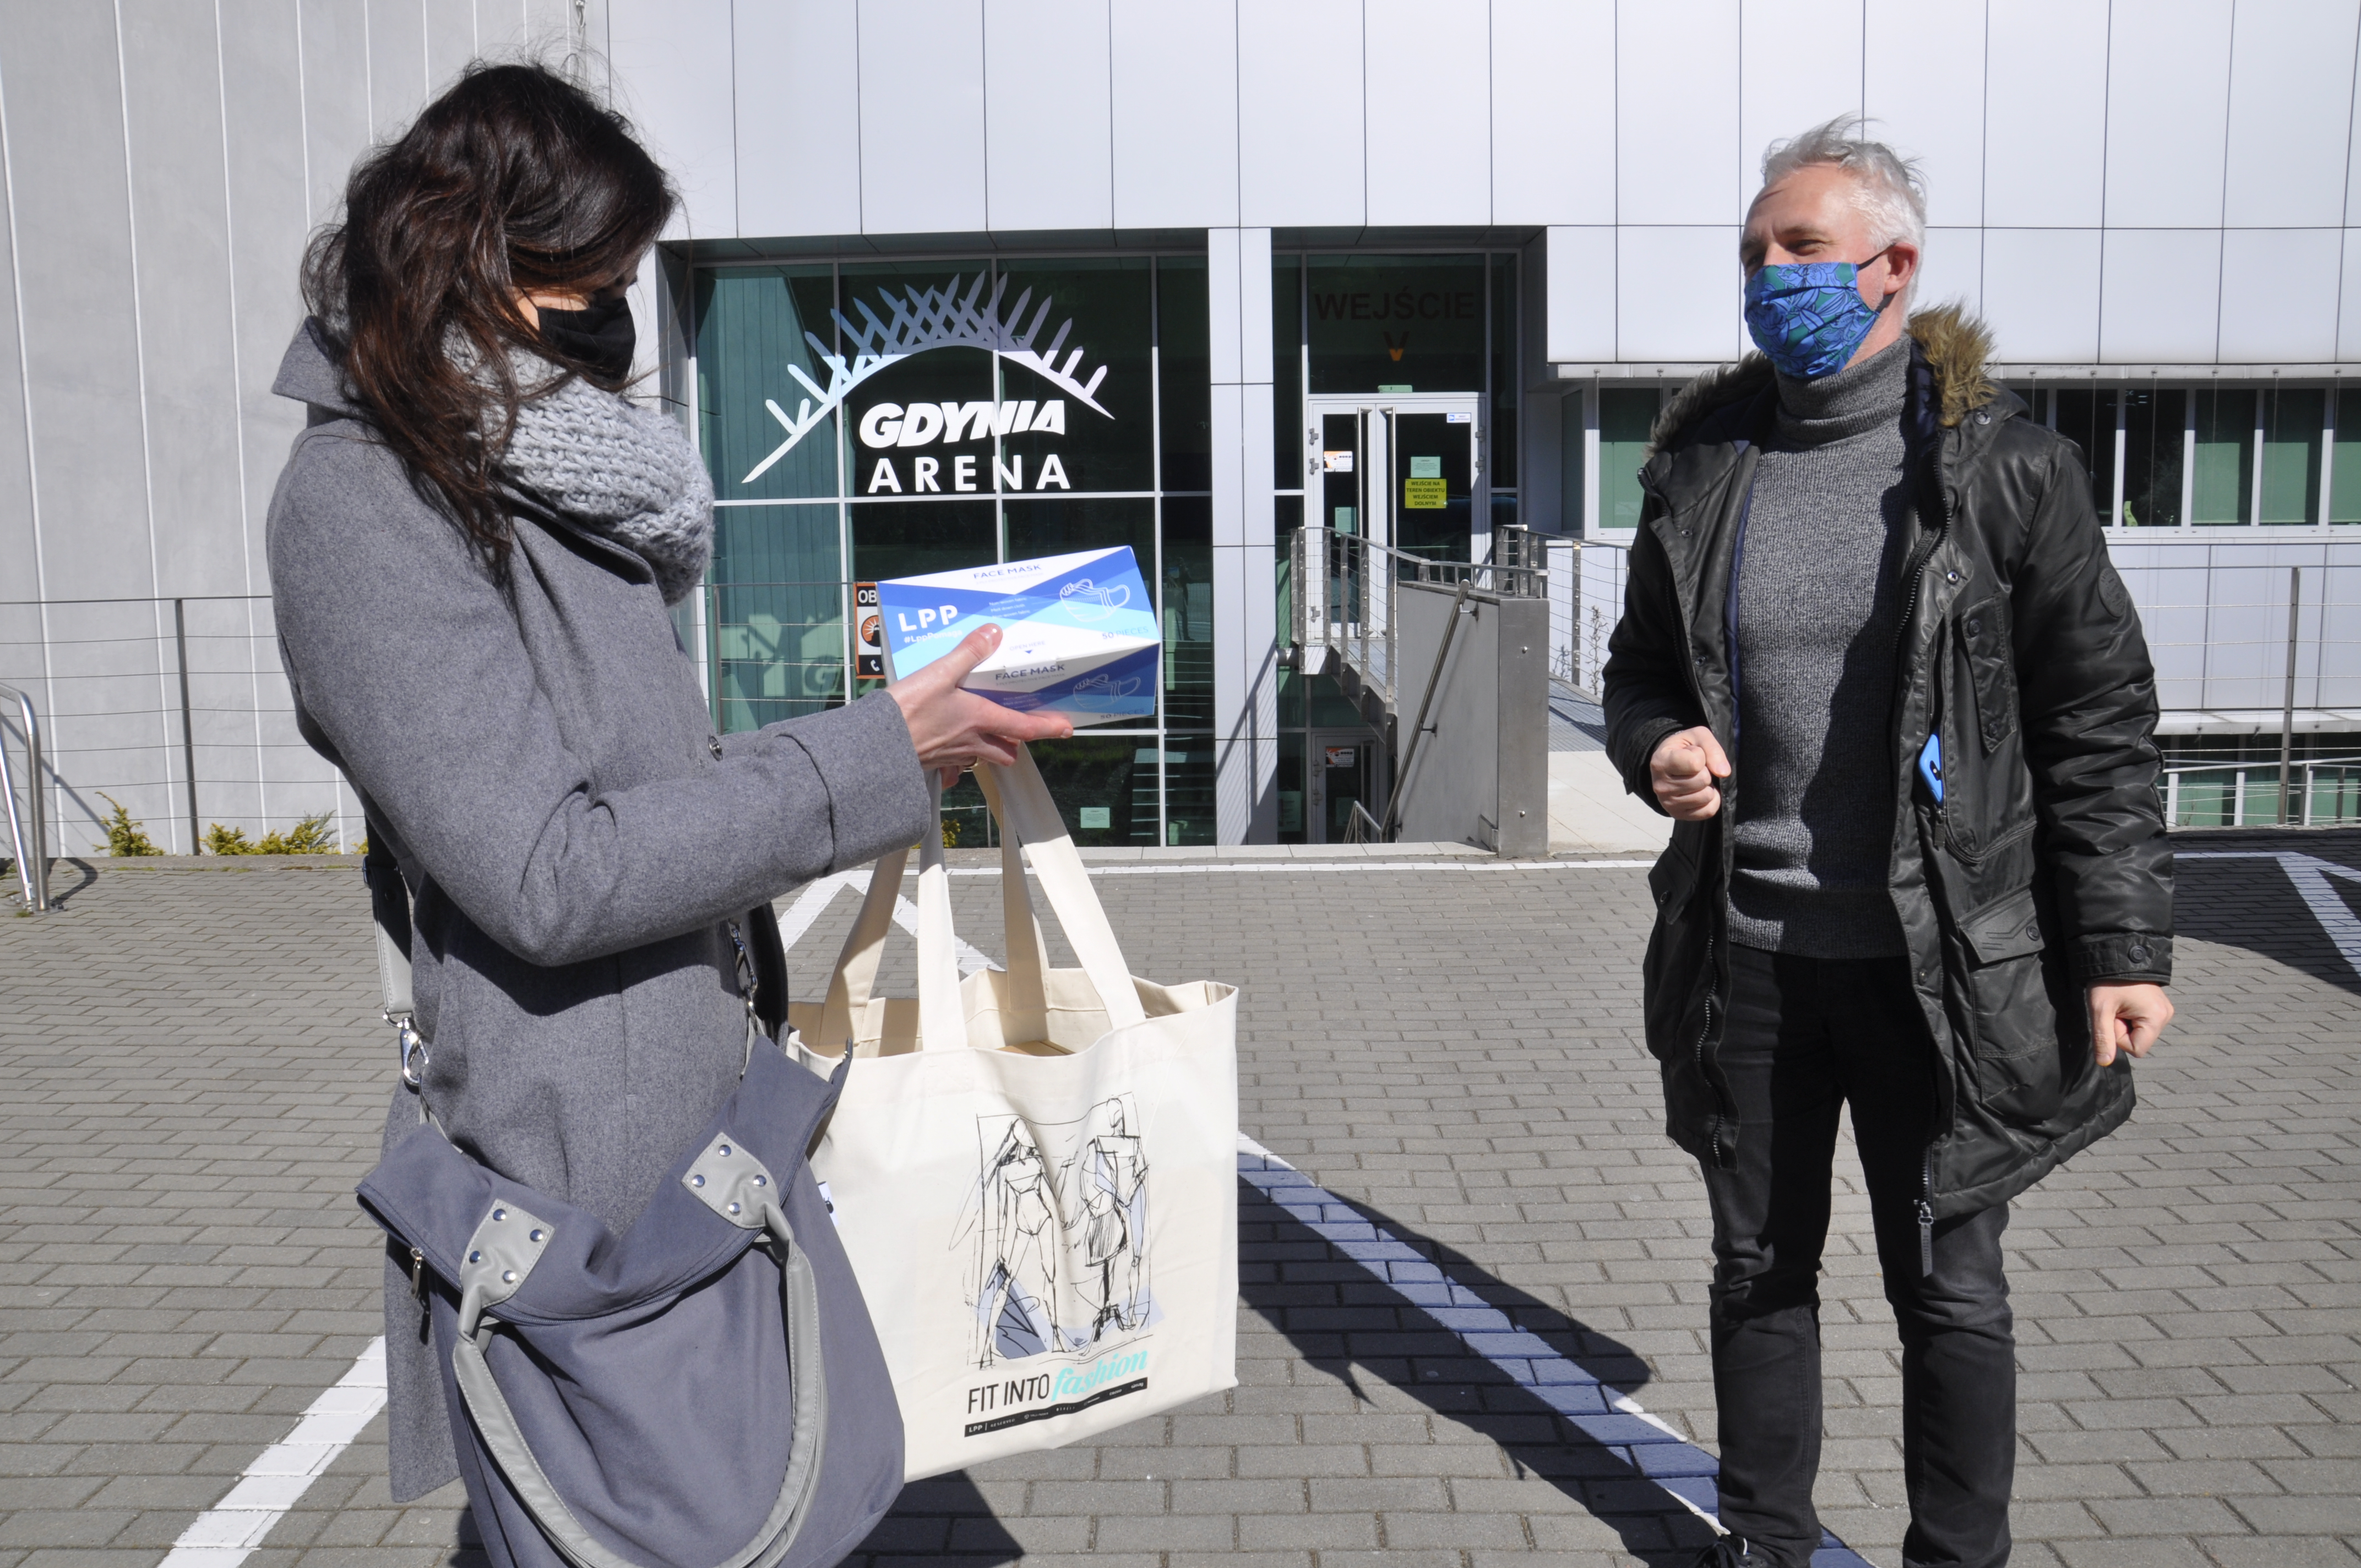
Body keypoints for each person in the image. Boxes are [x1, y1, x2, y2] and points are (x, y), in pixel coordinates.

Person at [266, 62, 1067, 1530]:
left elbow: (647, 791)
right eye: (591, 279)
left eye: (627, 278)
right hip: (585, 1177)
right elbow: (550, 871)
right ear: (471, 261)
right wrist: (870, 755)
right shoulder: (366, 500)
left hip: (695, 1128)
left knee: (780, 1504)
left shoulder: (539, 475)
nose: (616, 315)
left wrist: (888, 743)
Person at [1602, 116, 2174, 1568]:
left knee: (1950, 1287)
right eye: (1754, 253)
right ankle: (1764, 1540)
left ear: (1893, 266)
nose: (1769, 275)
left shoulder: (2007, 475)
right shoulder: (1702, 470)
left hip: (1944, 966)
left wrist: (2123, 947)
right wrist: (1655, 743)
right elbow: (1641, 671)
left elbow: (2097, 721)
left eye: (1800, 247)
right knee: (1757, 1270)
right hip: (1752, 954)